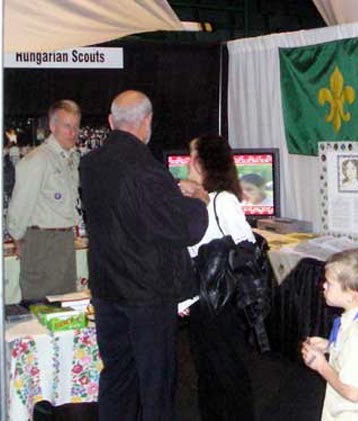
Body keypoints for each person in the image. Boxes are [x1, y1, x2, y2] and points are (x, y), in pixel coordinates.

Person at [79, 90, 208, 421]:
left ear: (111, 122)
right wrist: (197, 201)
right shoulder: (146, 170)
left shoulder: (90, 164)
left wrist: (169, 193)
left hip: (107, 288)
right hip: (146, 294)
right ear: (147, 121)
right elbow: (185, 228)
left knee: (117, 377)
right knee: (156, 385)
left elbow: (130, 214)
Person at [179, 134, 256, 421]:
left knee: (228, 376)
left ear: (202, 162)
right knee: (209, 377)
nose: (187, 162)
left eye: (191, 155)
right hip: (202, 303)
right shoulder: (197, 201)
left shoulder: (222, 201)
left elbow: (245, 248)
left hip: (221, 304)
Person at [301, 248, 358, 421]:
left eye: (329, 283)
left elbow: (353, 392)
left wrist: (321, 365)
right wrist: (331, 346)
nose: (323, 285)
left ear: (351, 295)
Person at [7, 100, 81, 301]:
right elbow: (20, 206)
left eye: (76, 126)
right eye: (67, 126)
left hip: (64, 242)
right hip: (42, 243)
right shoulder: (38, 160)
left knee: (67, 307)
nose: (72, 132)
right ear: (52, 126)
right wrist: (17, 237)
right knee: (41, 307)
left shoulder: (70, 158)